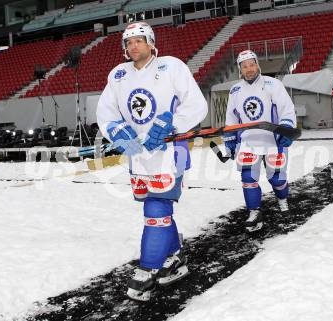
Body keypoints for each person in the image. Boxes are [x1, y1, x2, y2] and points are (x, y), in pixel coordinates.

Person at [96, 22, 208, 301]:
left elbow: (197, 104)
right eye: (129, 42)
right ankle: (175, 260)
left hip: (170, 154)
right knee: (156, 208)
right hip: (138, 155)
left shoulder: (171, 67)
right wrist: (117, 132)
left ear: (150, 42)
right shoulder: (118, 75)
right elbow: (106, 112)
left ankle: (147, 270)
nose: (133, 46)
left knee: (156, 208)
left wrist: (173, 125)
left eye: (139, 40)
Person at [223, 50, 297, 232]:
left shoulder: (273, 84)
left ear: (257, 65)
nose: (249, 69)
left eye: (251, 64)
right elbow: (231, 117)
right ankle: (254, 212)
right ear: (240, 69)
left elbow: (287, 109)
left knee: (277, 179)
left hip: (273, 140)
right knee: (248, 179)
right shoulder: (235, 90)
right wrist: (230, 136)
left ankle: (282, 200)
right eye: (244, 66)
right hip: (249, 141)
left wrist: (286, 129)